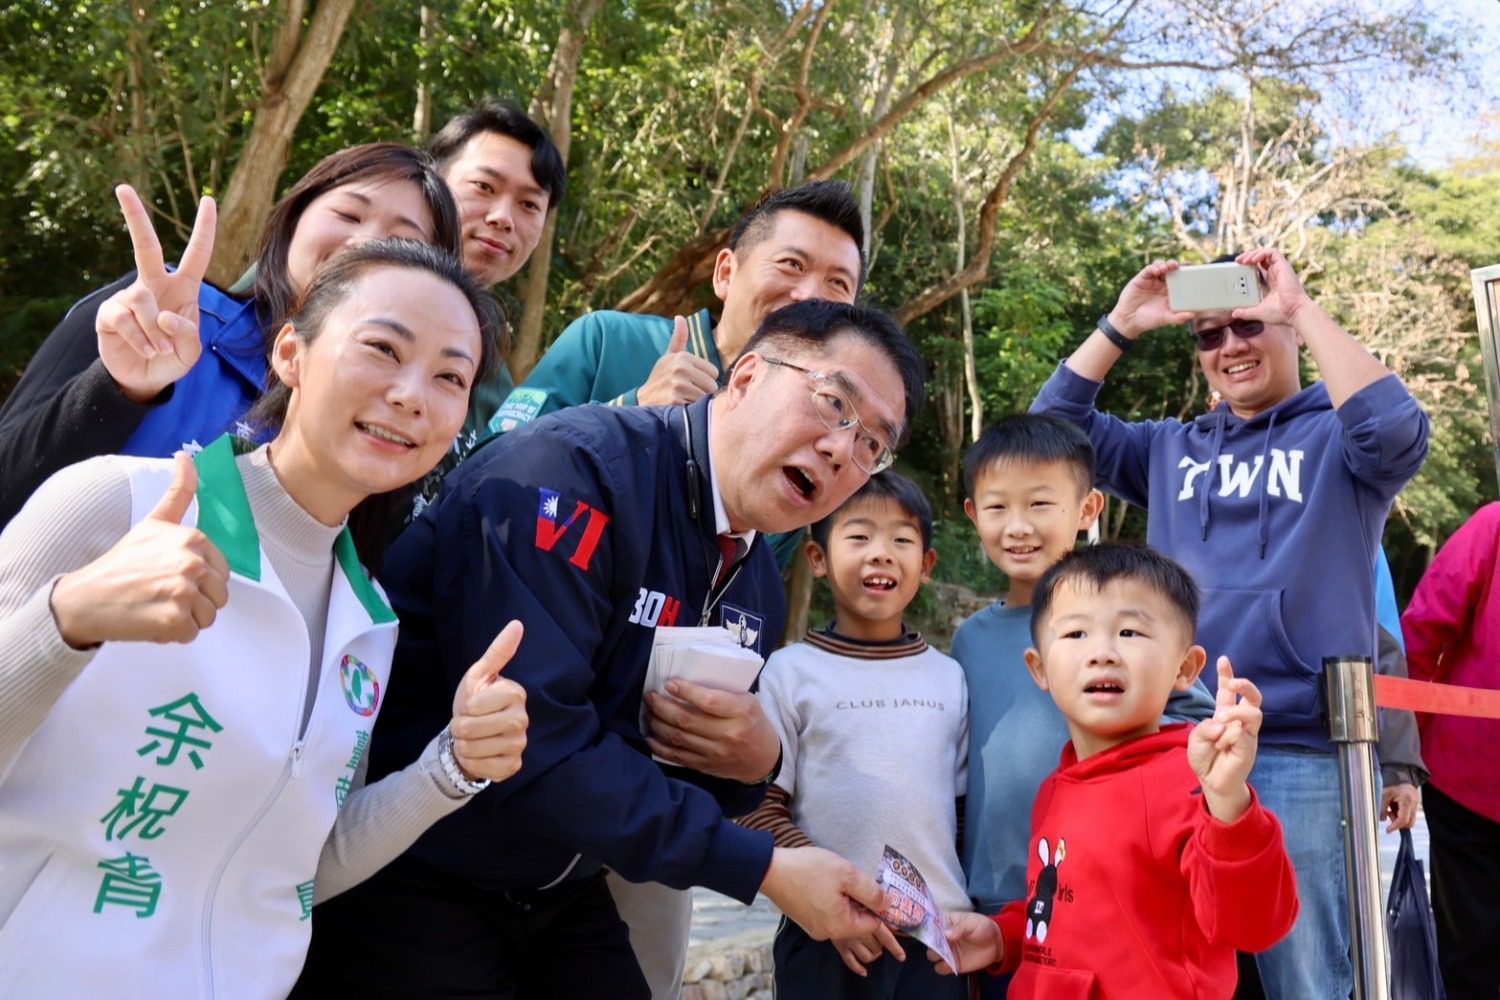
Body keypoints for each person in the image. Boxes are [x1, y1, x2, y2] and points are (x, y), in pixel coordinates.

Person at [297, 299, 927, 998]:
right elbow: (536, 745)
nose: (844, 449)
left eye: (873, 442)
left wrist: (753, 765)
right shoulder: (566, 475)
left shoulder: (755, 581)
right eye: (833, 402)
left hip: (562, 888)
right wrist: (765, 867)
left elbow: (682, 767)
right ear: (745, 377)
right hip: (417, 865)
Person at [0, 240, 528, 997]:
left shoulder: (368, 619)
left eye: (451, 376)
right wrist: (68, 618)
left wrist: (452, 768)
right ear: (291, 352)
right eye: (383, 348)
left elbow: (285, 870)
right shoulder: (112, 503)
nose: (413, 394)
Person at [490, 180, 864, 996]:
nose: (808, 295)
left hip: (654, 787)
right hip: (509, 763)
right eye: (790, 265)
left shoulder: (824, 443)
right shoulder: (609, 342)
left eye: (837, 285)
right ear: (727, 270)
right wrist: (637, 413)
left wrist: (753, 756)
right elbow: (483, 460)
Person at [1030, 249, 1428, 998]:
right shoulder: (1169, 448)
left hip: (1302, 749)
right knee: (1168, 965)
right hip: (1176, 744)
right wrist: (1121, 324)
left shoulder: (1340, 444)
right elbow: (1050, 437)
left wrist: (1302, 308)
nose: (1230, 347)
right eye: (1208, 335)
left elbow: (1397, 429)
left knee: (1305, 979)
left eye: (1249, 324)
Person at [0, 143, 462, 529]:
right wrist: (119, 389)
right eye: (349, 214)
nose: (363, 245)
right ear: (294, 219)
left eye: (402, 243)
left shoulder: (396, 424)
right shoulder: (155, 313)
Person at [933, 543, 1299, 997]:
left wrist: (1228, 803)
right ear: (1039, 668)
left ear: (1185, 668)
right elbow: (1067, 913)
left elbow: (1253, 927)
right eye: (1075, 635)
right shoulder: (1056, 787)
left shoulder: (1190, 780)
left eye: (1129, 633)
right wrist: (1003, 937)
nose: (1102, 653)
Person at [949, 414, 1214, 999]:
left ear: (1088, 509)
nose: (1018, 527)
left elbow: (1194, 731)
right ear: (973, 515)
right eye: (998, 509)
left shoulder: (1123, 631)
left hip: (1109, 902)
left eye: (1041, 504)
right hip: (1001, 902)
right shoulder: (970, 639)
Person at [740, 471, 968, 1000]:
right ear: (817, 560)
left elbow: (959, 814)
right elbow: (759, 807)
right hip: (825, 938)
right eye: (859, 537)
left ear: (927, 566)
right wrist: (832, 901)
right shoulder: (788, 673)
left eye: (902, 541)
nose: (881, 554)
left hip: (936, 943)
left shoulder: (949, 677)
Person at [415, 97, 568, 486]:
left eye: (529, 205)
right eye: (484, 186)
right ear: (431, 182)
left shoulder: (495, 384)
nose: (502, 218)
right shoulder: (339, 279)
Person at [1401, 501, 1500, 995]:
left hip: (1468, 778)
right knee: (1470, 956)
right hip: (1470, 790)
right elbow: (1421, 634)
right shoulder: (1494, 527)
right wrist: (1407, 750)